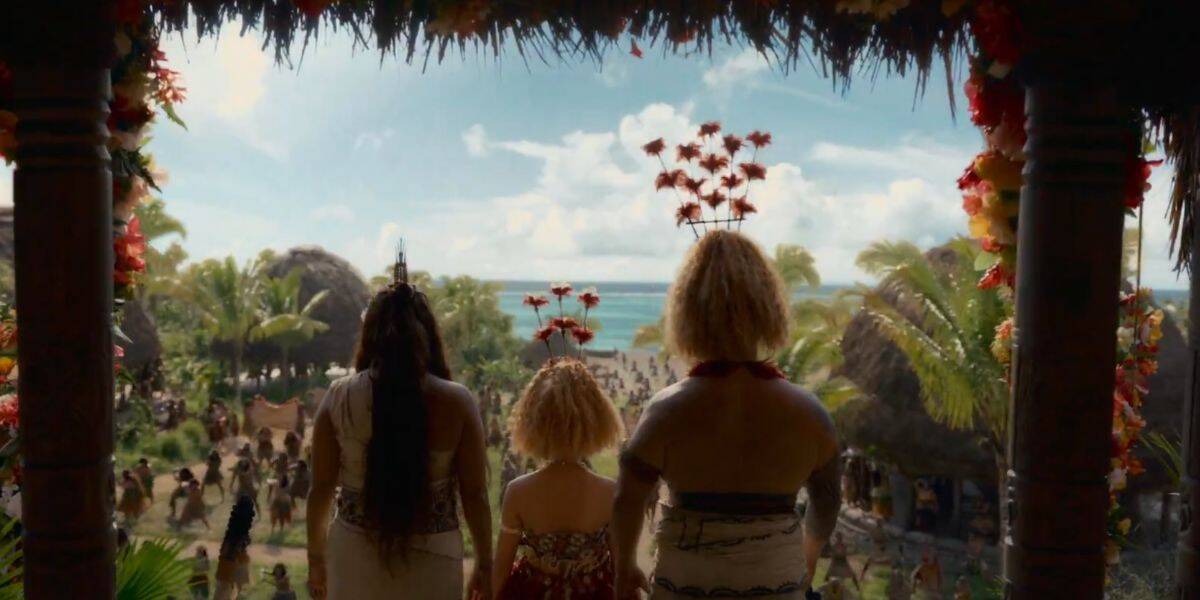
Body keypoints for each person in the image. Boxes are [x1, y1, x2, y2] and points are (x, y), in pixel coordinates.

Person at [612, 230, 842, 599]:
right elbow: (827, 500)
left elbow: (627, 498)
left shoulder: (667, 411)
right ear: (769, 306)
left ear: (687, 312)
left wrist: (624, 566)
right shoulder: (809, 414)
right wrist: (808, 556)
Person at [306, 281, 493, 599]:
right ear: (428, 335)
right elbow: (474, 493)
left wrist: (315, 558)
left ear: (370, 335)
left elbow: (321, 488)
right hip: (435, 555)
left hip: (353, 553)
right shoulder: (457, 401)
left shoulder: (339, 397)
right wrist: (485, 564)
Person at [493, 359, 624, 599]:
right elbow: (621, 570)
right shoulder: (609, 493)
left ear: (534, 421)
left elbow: (500, 568)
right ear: (596, 420)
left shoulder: (518, 492)